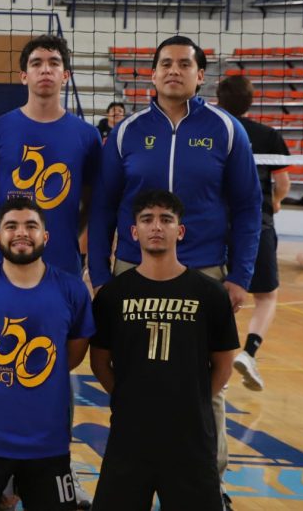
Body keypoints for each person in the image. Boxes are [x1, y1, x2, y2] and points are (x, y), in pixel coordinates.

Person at [88, 36, 259, 507]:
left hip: (204, 269)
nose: (174, 70)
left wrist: (240, 276)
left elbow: (248, 206)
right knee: (132, 369)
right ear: (152, 73)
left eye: (185, 64)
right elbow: (103, 207)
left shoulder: (226, 130)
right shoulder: (127, 132)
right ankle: (132, 468)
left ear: (200, 76)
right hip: (132, 266)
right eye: (165, 63)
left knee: (207, 381)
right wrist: (100, 275)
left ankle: (210, 479)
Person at [90, 190, 238, 510]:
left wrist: (194, 400)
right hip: (130, 434)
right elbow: (99, 361)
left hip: (190, 437)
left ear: (179, 231)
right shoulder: (113, 295)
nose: (156, 226)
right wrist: (127, 397)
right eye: (147, 220)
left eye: (166, 220)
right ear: (134, 232)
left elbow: (224, 364)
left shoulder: (210, 294)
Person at [0, 196, 93, 511]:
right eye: (11, 226)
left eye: (31, 226)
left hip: (48, 445)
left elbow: (73, 354)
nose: (21, 233)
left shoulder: (72, 291)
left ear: (45, 236)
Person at [0, 34, 102, 276]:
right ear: (24, 76)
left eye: (54, 63)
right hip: (6, 265)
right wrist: (6, 232)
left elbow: (91, 201)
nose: (45, 69)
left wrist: (69, 235)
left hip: (63, 265)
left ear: (65, 75)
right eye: (36, 63)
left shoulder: (87, 136)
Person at [216, 74, 292, 392]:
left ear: (218, 99)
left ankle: (215, 364)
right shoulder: (268, 135)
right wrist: (276, 202)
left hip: (216, 224)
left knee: (216, 294)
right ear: (251, 101)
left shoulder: (212, 130)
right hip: (257, 223)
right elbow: (283, 184)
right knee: (266, 296)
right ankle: (249, 353)